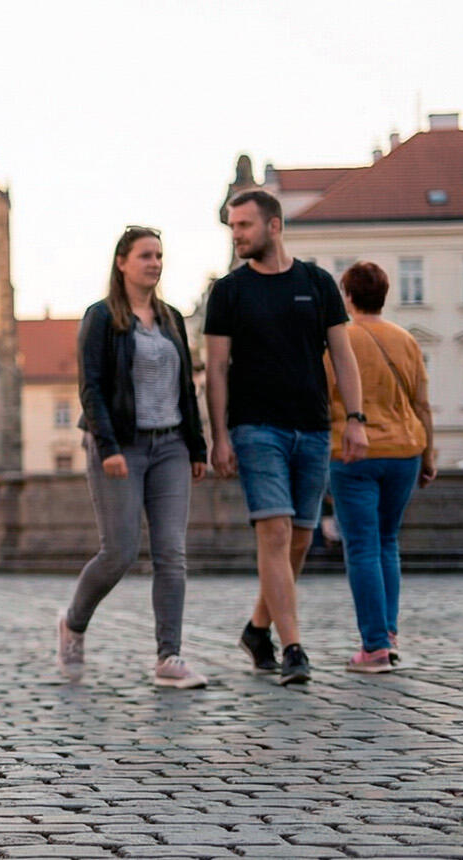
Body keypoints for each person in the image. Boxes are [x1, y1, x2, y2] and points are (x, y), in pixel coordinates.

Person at [206, 189, 368, 686]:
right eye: (232, 226)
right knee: (274, 533)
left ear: (274, 226)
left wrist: (355, 418)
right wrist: (219, 435)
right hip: (256, 428)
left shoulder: (316, 283)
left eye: (244, 225)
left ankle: (258, 629)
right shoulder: (228, 291)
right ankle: (293, 647)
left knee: (299, 538)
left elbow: (342, 355)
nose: (236, 234)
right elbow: (216, 368)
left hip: (313, 427)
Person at [58, 228, 210, 689]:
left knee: (171, 553)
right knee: (119, 552)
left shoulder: (171, 318)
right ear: (122, 262)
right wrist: (108, 447)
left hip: (171, 446)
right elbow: (91, 387)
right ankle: (73, 623)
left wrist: (196, 447)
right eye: (146, 255)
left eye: (159, 255)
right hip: (121, 445)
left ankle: (169, 657)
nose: (155, 263)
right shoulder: (101, 317)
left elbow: (186, 387)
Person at [326, 262, 433, 674]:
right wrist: (430, 454)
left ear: (348, 296)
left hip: (354, 452)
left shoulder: (340, 338)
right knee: (387, 541)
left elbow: (326, 394)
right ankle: (388, 633)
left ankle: (373, 647)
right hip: (405, 449)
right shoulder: (406, 339)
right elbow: (421, 403)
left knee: (362, 546)